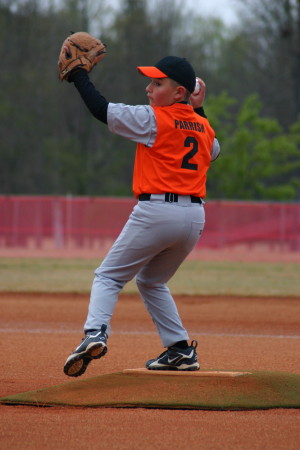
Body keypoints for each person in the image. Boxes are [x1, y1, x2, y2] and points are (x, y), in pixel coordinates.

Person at [63, 55, 220, 377]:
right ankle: (179, 349)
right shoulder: (204, 127)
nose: (149, 89)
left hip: (157, 211)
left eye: (157, 83)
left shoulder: (154, 119)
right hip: (194, 218)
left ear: (179, 92)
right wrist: (196, 109)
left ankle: (95, 334)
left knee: (108, 277)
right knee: (151, 280)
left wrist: (78, 75)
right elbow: (213, 151)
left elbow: (100, 109)